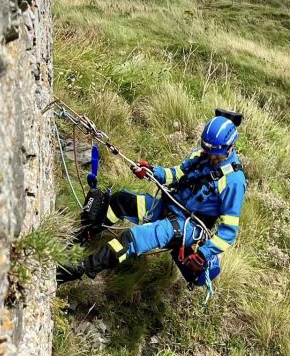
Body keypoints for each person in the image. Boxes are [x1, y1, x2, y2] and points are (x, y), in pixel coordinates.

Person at [57, 112, 247, 290]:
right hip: (167, 206)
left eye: (216, 154)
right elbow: (177, 173)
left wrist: (204, 253)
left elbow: (229, 231)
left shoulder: (233, 181)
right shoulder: (202, 155)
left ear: (231, 147)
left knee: (131, 239)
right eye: (207, 150)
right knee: (120, 200)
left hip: (187, 226)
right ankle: (79, 238)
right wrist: (152, 171)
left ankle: (76, 269)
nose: (211, 157)